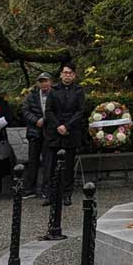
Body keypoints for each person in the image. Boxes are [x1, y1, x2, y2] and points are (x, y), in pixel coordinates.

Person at [43, 62, 85, 206]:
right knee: (51, 165)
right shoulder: (53, 90)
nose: (67, 75)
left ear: (74, 75)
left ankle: (67, 194)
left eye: (70, 73)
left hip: (71, 131)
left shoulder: (79, 90)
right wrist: (58, 126)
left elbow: (80, 112)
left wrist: (67, 126)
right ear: (61, 74)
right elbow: (48, 111)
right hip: (54, 132)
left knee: (68, 165)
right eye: (65, 72)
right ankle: (50, 194)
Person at [21, 72, 53, 198]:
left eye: (46, 81)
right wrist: (36, 120)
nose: (44, 83)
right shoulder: (31, 96)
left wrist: (45, 120)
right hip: (34, 132)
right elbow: (25, 110)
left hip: (49, 132)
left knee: (48, 162)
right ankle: (29, 189)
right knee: (32, 161)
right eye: (41, 81)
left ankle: (46, 189)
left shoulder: (54, 94)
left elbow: (58, 111)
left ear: (50, 82)